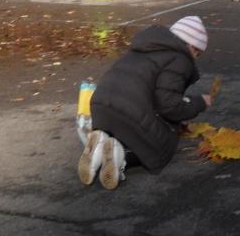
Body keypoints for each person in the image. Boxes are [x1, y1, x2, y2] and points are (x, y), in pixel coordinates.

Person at [79, 16, 212, 190]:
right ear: (192, 47)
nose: (195, 59)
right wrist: (199, 103)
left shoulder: (143, 47)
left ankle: (99, 146)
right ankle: (121, 158)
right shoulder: (180, 60)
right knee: (160, 148)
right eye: (197, 54)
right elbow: (168, 105)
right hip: (128, 112)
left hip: (100, 107)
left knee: (128, 130)